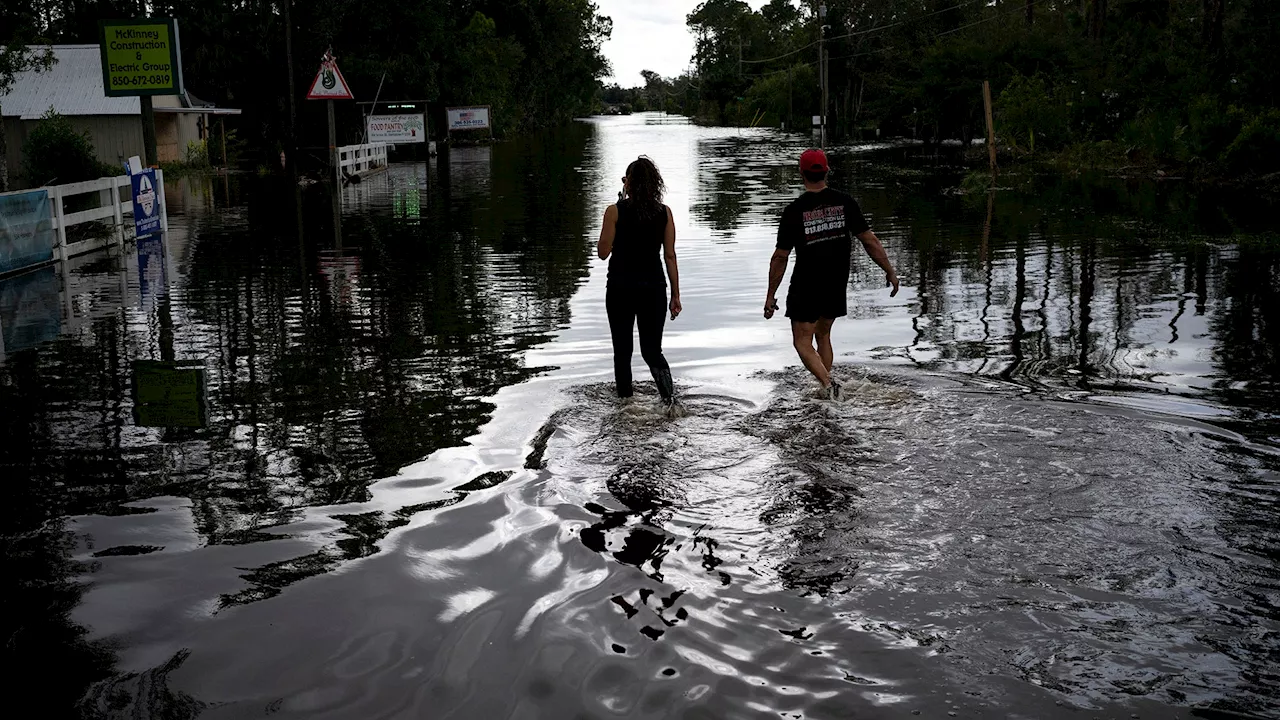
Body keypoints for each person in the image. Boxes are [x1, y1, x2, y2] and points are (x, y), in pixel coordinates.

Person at [764, 148, 899, 399]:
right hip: (837, 281)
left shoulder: (794, 210)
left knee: (802, 341)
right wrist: (889, 271)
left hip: (807, 283)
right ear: (826, 171)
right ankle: (826, 390)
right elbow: (870, 240)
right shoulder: (845, 202)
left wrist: (770, 295)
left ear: (801, 174)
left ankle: (828, 384)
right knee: (822, 334)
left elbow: (780, 256)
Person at [597, 156, 682, 408]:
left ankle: (625, 408)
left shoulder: (614, 211)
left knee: (623, 352)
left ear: (628, 182)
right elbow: (670, 256)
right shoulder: (664, 212)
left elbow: (602, 252)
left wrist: (619, 202)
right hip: (654, 289)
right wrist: (676, 295)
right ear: (654, 183)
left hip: (620, 289)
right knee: (652, 350)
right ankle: (669, 402)